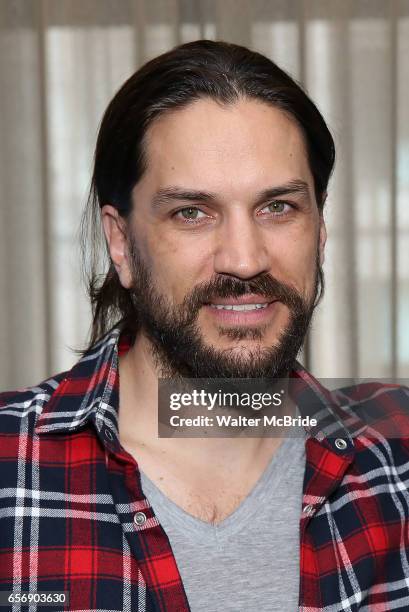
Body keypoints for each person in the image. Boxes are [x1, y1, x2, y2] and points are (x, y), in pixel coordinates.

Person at [0, 39, 408, 612]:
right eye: (191, 212)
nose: (244, 259)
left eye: (278, 207)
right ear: (121, 243)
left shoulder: (394, 461)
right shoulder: (9, 469)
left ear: (320, 228)